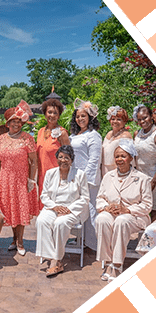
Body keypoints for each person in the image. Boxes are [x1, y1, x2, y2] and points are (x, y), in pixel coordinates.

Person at [96, 139, 152, 281]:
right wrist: (105, 207)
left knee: (121, 221)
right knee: (101, 219)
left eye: (123, 156)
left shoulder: (142, 179)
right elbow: (100, 198)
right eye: (117, 156)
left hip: (135, 216)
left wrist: (127, 210)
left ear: (131, 158)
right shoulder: (108, 176)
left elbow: (147, 205)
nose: (119, 159)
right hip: (112, 213)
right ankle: (107, 261)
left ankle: (117, 264)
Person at [36, 145, 90, 278]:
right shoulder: (50, 173)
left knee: (60, 223)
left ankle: (56, 260)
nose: (63, 160)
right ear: (57, 159)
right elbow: (44, 196)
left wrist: (69, 209)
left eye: (67, 157)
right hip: (53, 206)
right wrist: (55, 206)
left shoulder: (80, 174)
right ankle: (51, 256)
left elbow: (85, 198)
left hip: (73, 209)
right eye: (60, 157)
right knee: (41, 221)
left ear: (71, 160)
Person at [0, 100, 39, 256]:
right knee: (11, 210)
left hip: (21, 180)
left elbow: (34, 161)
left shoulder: (27, 138)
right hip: (6, 179)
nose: (16, 124)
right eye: (13, 121)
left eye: (19, 121)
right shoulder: (1, 138)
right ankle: (13, 240)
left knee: (20, 210)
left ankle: (21, 241)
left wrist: (31, 180)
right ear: (7, 123)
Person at [69, 99, 103, 251]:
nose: (80, 119)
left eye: (83, 116)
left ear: (90, 117)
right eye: (77, 116)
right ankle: (80, 238)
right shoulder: (75, 134)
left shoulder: (93, 135)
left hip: (88, 180)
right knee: (80, 210)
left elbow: (94, 159)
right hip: (75, 177)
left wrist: (85, 180)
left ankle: (93, 244)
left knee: (90, 210)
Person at [133, 104, 156, 221]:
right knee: (139, 209)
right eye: (139, 119)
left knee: (154, 210)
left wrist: (154, 181)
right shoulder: (136, 134)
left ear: (151, 116)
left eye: (145, 117)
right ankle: (142, 237)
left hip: (154, 176)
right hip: (139, 177)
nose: (142, 121)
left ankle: (154, 238)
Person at [35, 97, 70, 209]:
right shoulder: (40, 132)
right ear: (45, 114)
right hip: (42, 177)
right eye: (49, 112)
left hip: (56, 178)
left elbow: (69, 156)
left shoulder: (62, 133)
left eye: (55, 113)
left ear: (59, 116)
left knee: (56, 209)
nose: (52, 115)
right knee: (44, 210)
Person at [101, 106, 134, 179]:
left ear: (124, 121)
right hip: (104, 169)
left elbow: (129, 159)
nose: (115, 121)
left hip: (117, 171)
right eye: (113, 119)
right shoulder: (109, 133)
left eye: (119, 119)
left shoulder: (126, 135)